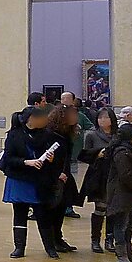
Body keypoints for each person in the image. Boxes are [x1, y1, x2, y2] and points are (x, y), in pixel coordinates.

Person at [1, 106, 67, 258]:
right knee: (20, 213)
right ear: (31, 119)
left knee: (43, 214)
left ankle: (50, 248)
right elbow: (9, 159)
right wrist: (27, 162)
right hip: (20, 179)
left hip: (41, 180)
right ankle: (19, 247)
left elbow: (60, 157)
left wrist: (52, 160)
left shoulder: (49, 136)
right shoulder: (14, 135)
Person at [104, 123, 132, 262]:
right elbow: (125, 175)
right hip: (121, 193)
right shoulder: (122, 152)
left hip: (127, 193)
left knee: (128, 224)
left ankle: (128, 253)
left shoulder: (130, 150)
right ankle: (121, 255)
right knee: (121, 224)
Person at [79, 107, 117, 253]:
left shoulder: (117, 136)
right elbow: (84, 155)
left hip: (114, 174)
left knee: (113, 209)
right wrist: (97, 155)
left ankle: (110, 239)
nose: (102, 120)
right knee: (100, 207)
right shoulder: (92, 135)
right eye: (100, 118)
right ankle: (95, 239)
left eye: (106, 117)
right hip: (98, 175)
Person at [45, 105, 81, 252]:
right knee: (53, 209)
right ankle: (52, 240)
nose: (75, 118)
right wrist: (57, 173)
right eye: (72, 115)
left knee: (61, 209)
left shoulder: (66, 134)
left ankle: (58, 238)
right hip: (53, 177)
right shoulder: (51, 134)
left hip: (64, 175)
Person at [59, 92, 91, 218]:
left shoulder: (80, 116)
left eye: (67, 98)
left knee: (70, 181)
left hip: (73, 154)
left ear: (73, 100)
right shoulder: (55, 115)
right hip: (58, 156)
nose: (65, 101)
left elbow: (90, 127)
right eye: (63, 98)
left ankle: (68, 207)